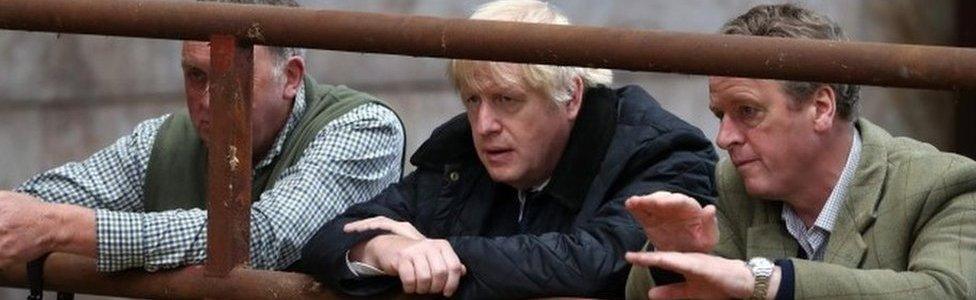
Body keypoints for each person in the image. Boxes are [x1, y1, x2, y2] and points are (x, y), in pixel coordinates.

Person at [295, 0, 718, 299]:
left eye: (507, 100)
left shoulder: (660, 150)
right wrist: (384, 250)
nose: (484, 126)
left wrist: (442, 253)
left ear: (570, 97)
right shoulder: (459, 155)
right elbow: (328, 239)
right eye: (473, 101)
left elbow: (601, 264)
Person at [1, 0, 405, 273]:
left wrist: (59, 227)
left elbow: (259, 241)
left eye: (232, 77)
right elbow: (38, 206)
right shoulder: (166, 141)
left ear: (291, 77)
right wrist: (28, 217)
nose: (209, 101)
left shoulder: (362, 127)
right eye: (196, 76)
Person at [625, 4, 976, 299]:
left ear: (821, 108)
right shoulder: (733, 183)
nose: (723, 138)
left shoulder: (942, 184)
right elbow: (646, 295)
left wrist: (766, 281)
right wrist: (674, 255)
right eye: (720, 114)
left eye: (747, 111)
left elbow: (947, 291)